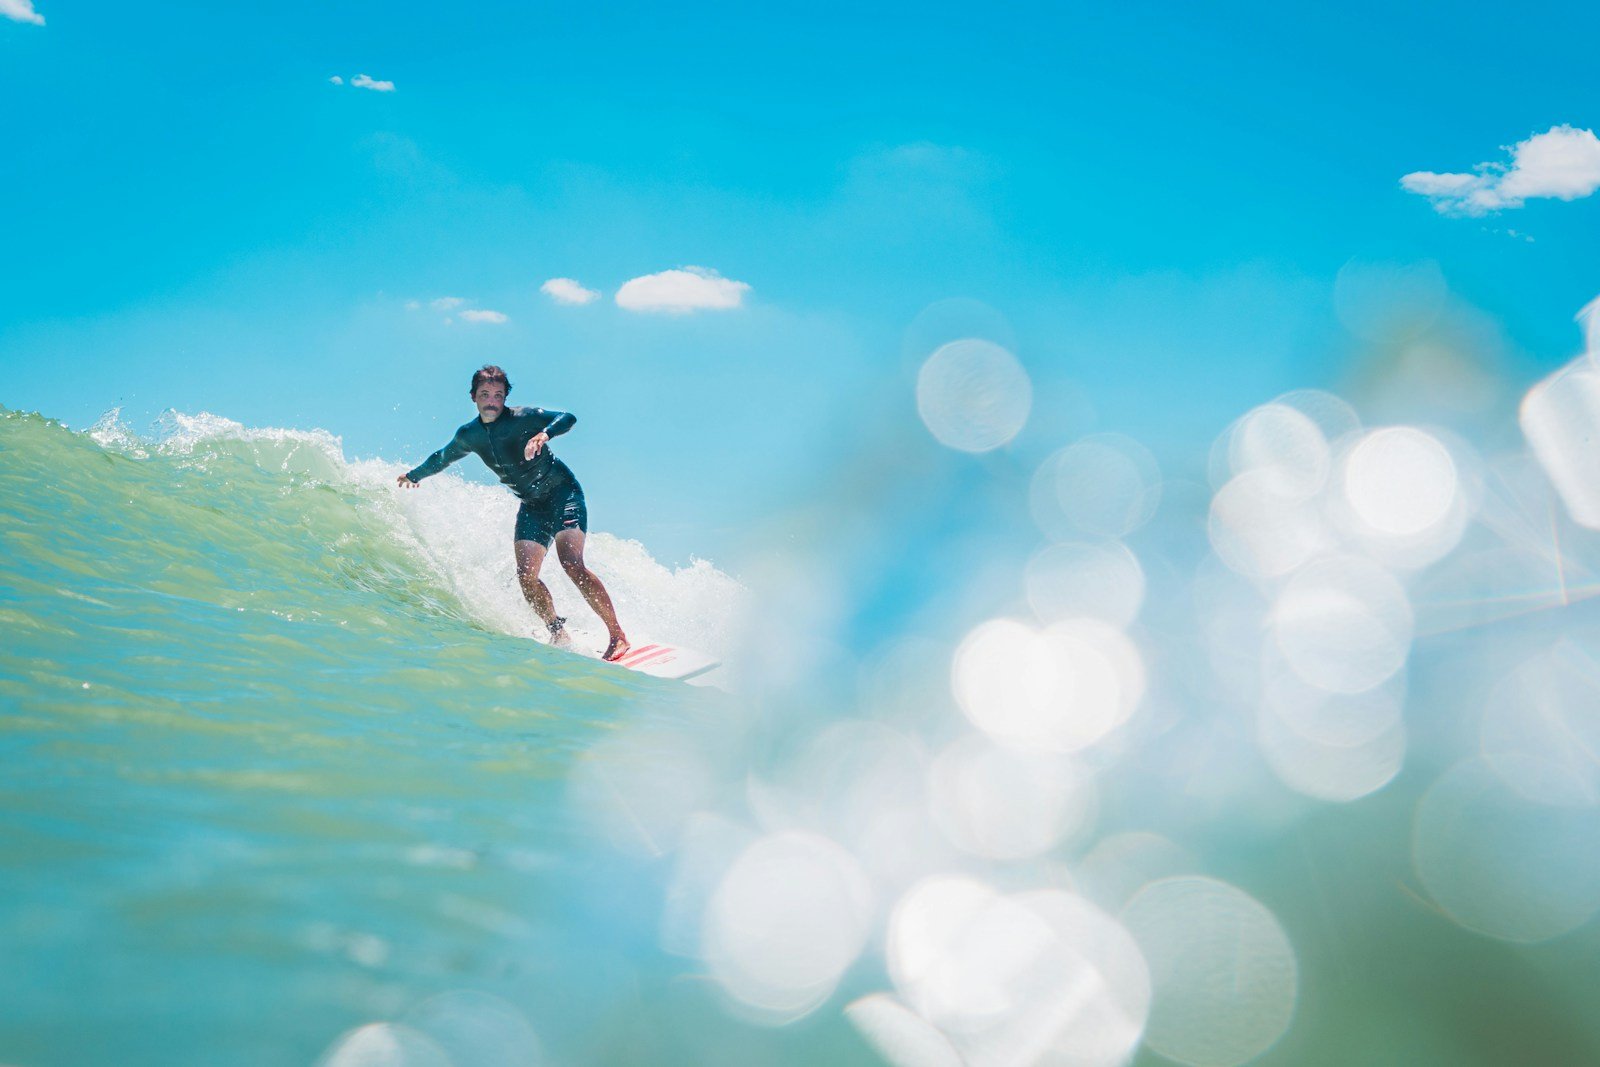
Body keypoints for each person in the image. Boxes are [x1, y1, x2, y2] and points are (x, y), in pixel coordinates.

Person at [397, 365, 631, 662]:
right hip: (532, 505)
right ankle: (557, 630)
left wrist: (544, 434)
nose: (492, 401)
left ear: (505, 397)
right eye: (485, 394)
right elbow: (442, 457)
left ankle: (617, 635)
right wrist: (414, 475)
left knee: (571, 564)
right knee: (526, 576)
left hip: (563, 494)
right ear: (473, 397)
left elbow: (568, 418)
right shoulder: (469, 435)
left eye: (498, 395)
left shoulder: (523, 417)